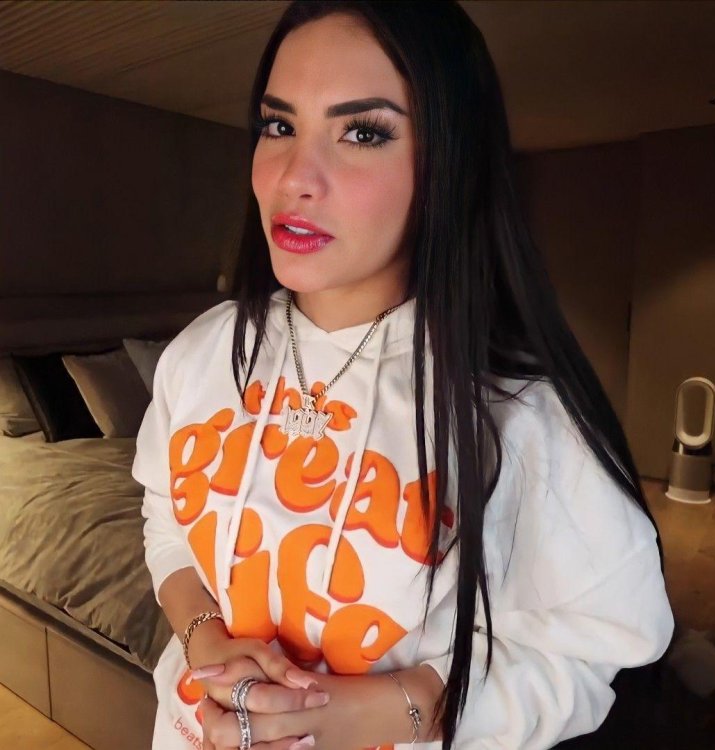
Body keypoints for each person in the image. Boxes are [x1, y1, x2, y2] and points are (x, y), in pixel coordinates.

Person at [131, 2, 675, 749]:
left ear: (449, 166)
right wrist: (203, 635)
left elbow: (591, 651)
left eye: (362, 132)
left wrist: (390, 708)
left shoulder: (519, 414)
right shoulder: (204, 351)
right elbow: (166, 514)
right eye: (279, 125)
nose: (294, 177)